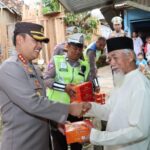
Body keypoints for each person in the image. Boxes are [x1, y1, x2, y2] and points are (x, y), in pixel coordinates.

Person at [0, 22, 90, 150]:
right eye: (35, 41)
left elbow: (43, 100)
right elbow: (32, 103)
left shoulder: (33, 68)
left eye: (41, 42)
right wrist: (69, 108)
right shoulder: (10, 67)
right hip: (21, 143)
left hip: (40, 142)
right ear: (20, 39)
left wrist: (55, 121)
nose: (40, 46)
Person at [83, 37, 150, 150]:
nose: (111, 63)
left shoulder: (140, 86)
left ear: (130, 57)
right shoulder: (121, 81)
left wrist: (97, 137)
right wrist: (89, 107)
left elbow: (139, 131)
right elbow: (110, 111)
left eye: (115, 57)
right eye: (109, 59)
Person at [44, 33, 90, 150]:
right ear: (68, 46)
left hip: (76, 111)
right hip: (57, 108)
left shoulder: (85, 65)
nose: (78, 51)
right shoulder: (57, 60)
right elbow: (46, 80)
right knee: (60, 143)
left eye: (80, 48)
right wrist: (64, 87)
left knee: (77, 143)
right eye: (75, 48)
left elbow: (88, 85)